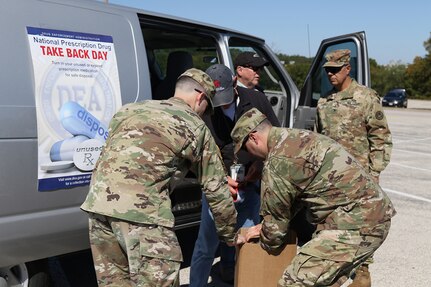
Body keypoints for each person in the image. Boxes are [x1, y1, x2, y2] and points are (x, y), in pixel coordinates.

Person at [80, 68, 238, 287]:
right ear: (201, 97)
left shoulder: (129, 110)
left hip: (99, 209)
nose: (204, 114)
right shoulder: (194, 125)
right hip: (143, 214)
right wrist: (231, 236)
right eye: (207, 108)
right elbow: (217, 190)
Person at [231, 108, 396, 287]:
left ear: (254, 138)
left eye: (247, 149)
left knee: (293, 282)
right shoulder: (298, 137)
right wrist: (266, 226)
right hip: (374, 218)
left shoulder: (277, 161)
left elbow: (275, 233)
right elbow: (296, 197)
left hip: (355, 226)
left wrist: (258, 238)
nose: (250, 155)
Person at [189, 63, 280, 286]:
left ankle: (242, 278)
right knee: (205, 246)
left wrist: (259, 165)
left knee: (247, 242)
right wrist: (219, 181)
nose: (222, 105)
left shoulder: (256, 100)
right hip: (218, 187)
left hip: (249, 186)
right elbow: (194, 156)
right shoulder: (204, 111)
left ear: (235, 84)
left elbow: (275, 137)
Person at [315, 49, 393, 286]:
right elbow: (318, 138)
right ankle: (334, 270)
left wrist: (375, 171)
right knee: (331, 222)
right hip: (331, 177)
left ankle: (362, 272)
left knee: (363, 224)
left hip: (360, 175)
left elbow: (380, 136)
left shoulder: (366, 98)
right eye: (328, 70)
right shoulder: (324, 102)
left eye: (335, 70)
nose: (331, 74)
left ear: (348, 69)